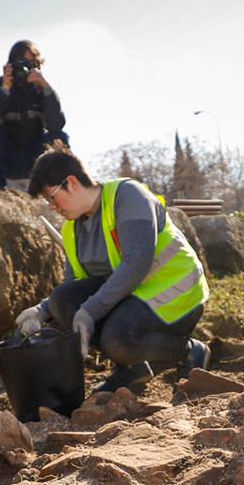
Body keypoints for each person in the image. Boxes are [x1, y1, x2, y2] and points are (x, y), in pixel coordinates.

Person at [16, 146, 210, 394]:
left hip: (176, 294)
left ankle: (189, 352)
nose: (52, 207)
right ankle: (132, 370)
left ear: (72, 183)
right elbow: (72, 289)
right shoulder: (72, 229)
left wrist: (90, 311)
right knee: (63, 300)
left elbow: (137, 262)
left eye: (51, 197)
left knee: (117, 340)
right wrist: (41, 311)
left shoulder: (128, 196)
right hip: (136, 297)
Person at [0, 41, 68, 190]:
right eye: (19, 62)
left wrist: (45, 86)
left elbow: (57, 125)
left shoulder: (41, 88)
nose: (24, 68)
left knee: (59, 137)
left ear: (37, 65)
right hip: (7, 158)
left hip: (36, 159)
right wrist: (5, 88)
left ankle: (55, 188)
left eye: (29, 62)